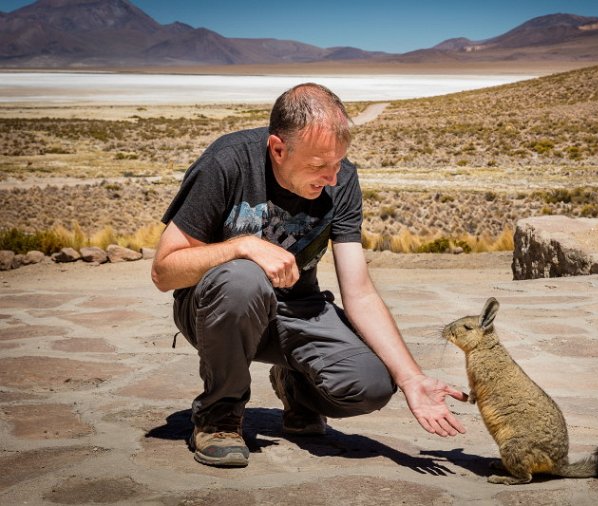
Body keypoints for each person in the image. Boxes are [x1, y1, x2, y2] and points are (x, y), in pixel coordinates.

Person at [151, 82, 466, 468]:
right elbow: (164, 272)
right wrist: (241, 246)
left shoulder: (341, 178)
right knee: (243, 279)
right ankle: (219, 418)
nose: (332, 178)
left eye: (337, 163)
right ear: (278, 149)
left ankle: (297, 388)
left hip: (298, 310)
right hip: (216, 309)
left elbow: (360, 292)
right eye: (319, 166)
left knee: (372, 386)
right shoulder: (228, 162)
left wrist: (412, 378)